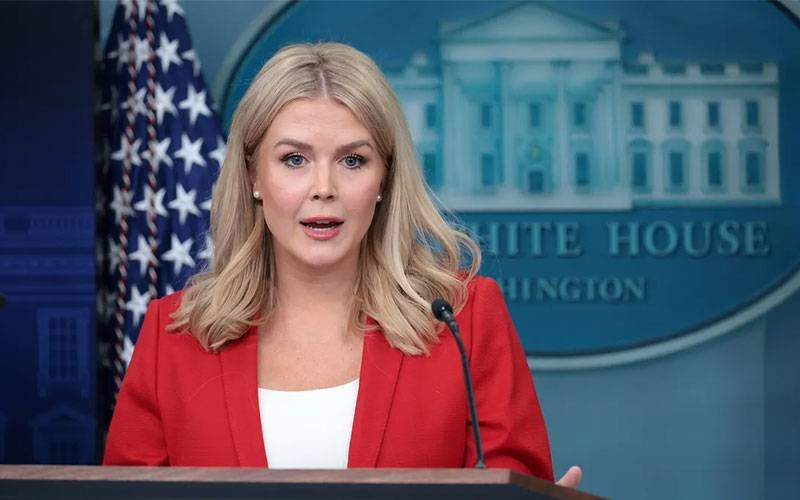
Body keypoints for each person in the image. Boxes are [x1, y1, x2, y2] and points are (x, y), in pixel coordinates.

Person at [103, 42, 580, 486]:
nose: (324, 188)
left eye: (353, 161)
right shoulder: (174, 334)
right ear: (253, 176)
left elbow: (510, 483)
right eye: (294, 159)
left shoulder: (464, 318)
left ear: (384, 178)